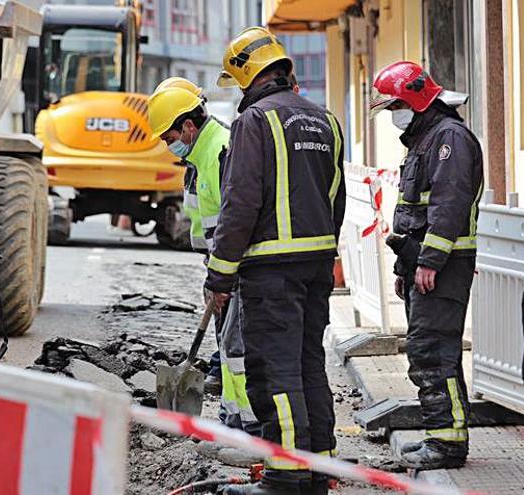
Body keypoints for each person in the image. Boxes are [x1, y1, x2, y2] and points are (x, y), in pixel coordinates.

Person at [206, 27, 345, 495]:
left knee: (275, 371)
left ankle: (286, 476)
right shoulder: (326, 120)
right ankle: (319, 468)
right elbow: (336, 200)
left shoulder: (254, 122)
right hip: (316, 267)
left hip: (270, 269)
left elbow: (240, 203)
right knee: (309, 365)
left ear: (247, 75)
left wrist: (219, 272)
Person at [370, 60, 483, 470]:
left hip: (444, 264)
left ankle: (447, 444)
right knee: (437, 353)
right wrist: (407, 269)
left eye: (393, 106)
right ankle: (445, 434)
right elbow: (415, 212)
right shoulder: (427, 137)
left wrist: (431, 261)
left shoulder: (447, 138)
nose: (391, 115)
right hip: (425, 263)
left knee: (431, 352)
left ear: (414, 100)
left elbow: (448, 206)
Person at [148, 79, 259, 436]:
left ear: (189, 126)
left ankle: (249, 427)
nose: (169, 146)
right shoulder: (198, 155)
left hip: (235, 268)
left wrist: (224, 275)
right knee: (227, 348)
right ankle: (231, 416)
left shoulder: (221, 150)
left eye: (169, 137)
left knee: (237, 349)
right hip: (217, 267)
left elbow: (236, 218)